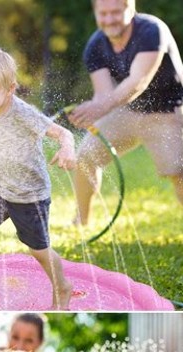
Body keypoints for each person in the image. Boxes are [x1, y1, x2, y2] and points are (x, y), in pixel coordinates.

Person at [0, 47, 77, 310]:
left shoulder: (22, 113)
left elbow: (63, 134)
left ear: (10, 89)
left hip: (29, 195)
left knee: (38, 250)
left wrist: (67, 148)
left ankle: (62, 287)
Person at [69, 0, 183, 224]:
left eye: (115, 12)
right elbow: (104, 95)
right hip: (127, 110)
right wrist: (90, 112)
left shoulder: (151, 30)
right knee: (85, 156)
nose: (109, 19)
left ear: (130, 9)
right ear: (96, 13)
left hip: (168, 111)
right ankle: (80, 222)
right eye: (103, 14)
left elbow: (138, 81)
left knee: (179, 173)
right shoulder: (95, 45)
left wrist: (101, 107)